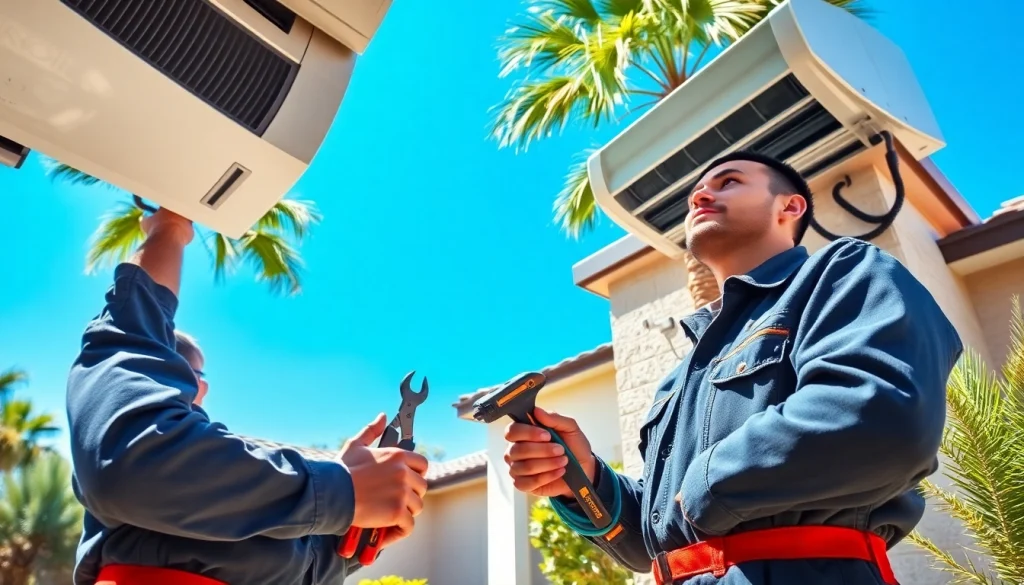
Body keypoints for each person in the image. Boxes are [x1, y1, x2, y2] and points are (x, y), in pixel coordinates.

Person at [502, 151, 964, 585]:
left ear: (790, 206)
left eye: (729, 182)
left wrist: (706, 484)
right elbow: (653, 538)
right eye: (695, 194)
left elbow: (880, 415)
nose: (700, 196)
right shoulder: (679, 375)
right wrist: (582, 477)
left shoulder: (844, 272)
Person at [66, 208, 430, 585]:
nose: (199, 386)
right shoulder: (156, 453)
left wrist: (347, 530)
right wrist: (341, 491)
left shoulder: (237, 484)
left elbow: (286, 566)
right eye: (187, 371)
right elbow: (132, 457)